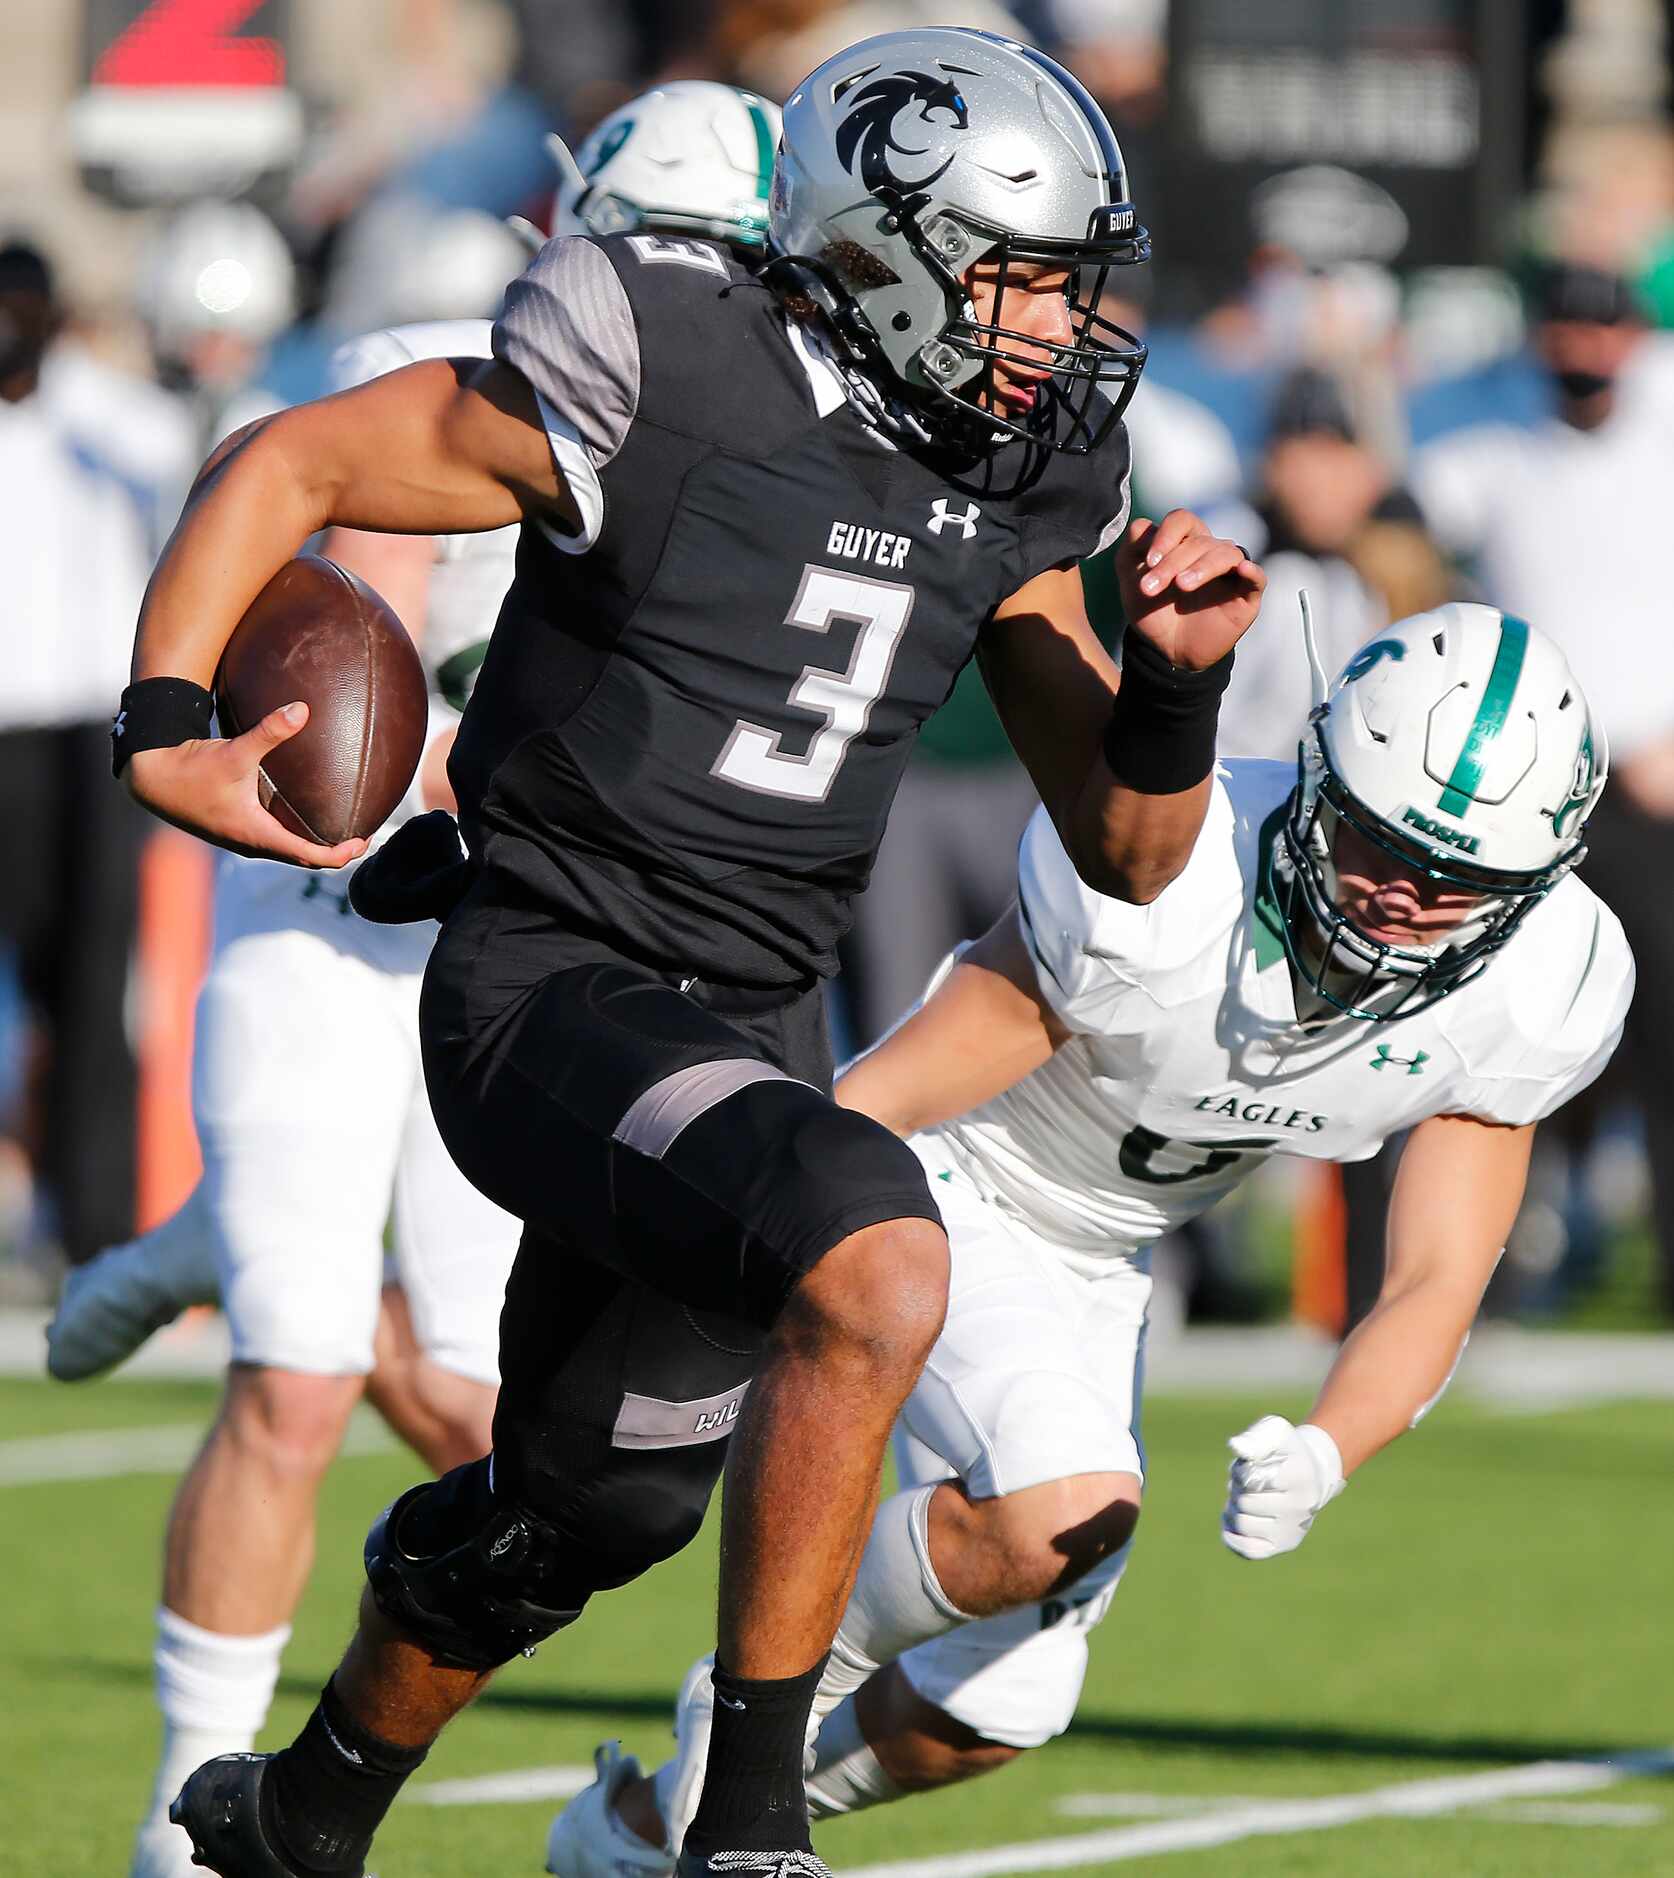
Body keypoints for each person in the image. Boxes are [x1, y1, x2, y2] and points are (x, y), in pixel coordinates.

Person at [119, 30, 1265, 1878]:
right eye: (1021, 275)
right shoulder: (671, 348)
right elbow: (297, 456)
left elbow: (1123, 853)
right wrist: (166, 707)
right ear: (887, 245)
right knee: (871, 1237)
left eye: (1073, 282)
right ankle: (745, 1827)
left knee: (591, 1503)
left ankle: (301, 1813)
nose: (1059, 326)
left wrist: (1175, 695)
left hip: (743, 1020)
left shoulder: (1026, 475)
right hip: (547, 975)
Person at [549, 602, 1632, 1874]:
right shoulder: (1179, 871)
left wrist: (1333, 1448)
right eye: (1381, 845)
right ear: (1322, 778)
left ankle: (624, 1832)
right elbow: (892, 1096)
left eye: (1460, 881)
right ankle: (757, 1714)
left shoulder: (1540, 986)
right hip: (955, 1184)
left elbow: (1440, 1276)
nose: (1406, 897)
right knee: (1065, 1502)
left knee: (1000, 1708)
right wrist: (744, 1221)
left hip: (1110, 1254)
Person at [46, 83, 783, 1878]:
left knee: (487, 1418)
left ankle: (229, 1237)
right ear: (570, 238)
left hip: (511, 936)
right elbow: (351, 633)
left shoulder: (771, 444)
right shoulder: (453, 361)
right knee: (296, 1383)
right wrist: (471, 758)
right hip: (327, 892)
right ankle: (189, 1814)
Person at [1413, 259, 1674, 1311]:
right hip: (1534, 784)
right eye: (1566, 330)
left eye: (1603, 330)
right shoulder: (1497, 445)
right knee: (1520, 1022)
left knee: (1662, 1035)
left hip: (1654, 776)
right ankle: (1504, 1259)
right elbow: (1397, 517)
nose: (1583, 349)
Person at [0, 239, 194, 1276]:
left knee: (86, 987)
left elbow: (182, 491)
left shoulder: (117, 418)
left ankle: (93, 1231)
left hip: (85, 734)